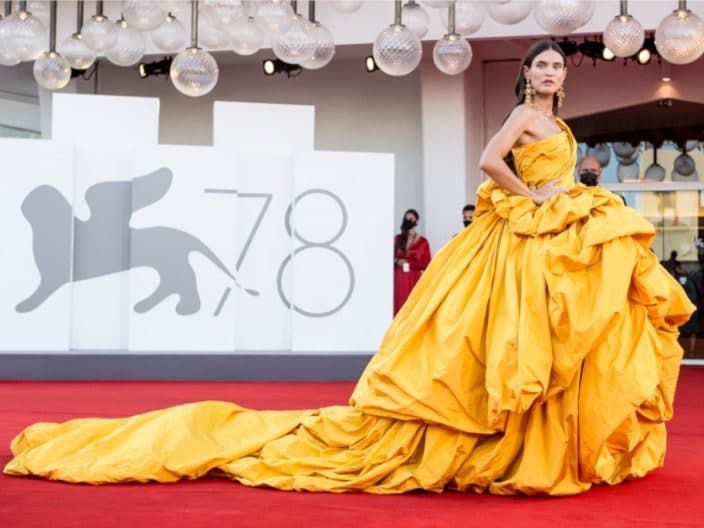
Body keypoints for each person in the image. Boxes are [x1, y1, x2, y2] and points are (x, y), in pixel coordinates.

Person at [4, 40, 695, 496]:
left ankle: (544, 434)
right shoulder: (520, 114)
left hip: (554, 229)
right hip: (522, 229)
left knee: (570, 326)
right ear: (526, 76)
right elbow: (489, 161)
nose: (549, 74)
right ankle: (507, 434)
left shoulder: (560, 123)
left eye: (556, 68)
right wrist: (534, 194)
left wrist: (565, 193)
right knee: (518, 335)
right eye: (541, 67)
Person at [394, 209, 431, 315]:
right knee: (398, 308)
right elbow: (388, 259)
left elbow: (427, 265)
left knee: (412, 309)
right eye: (406, 219)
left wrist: (409, 264)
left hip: (413, 280)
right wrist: (397, 261)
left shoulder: (423, 242)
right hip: (399, 279)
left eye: (411, 218)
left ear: (417, 221)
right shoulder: (397, 239)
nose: (408, 221)